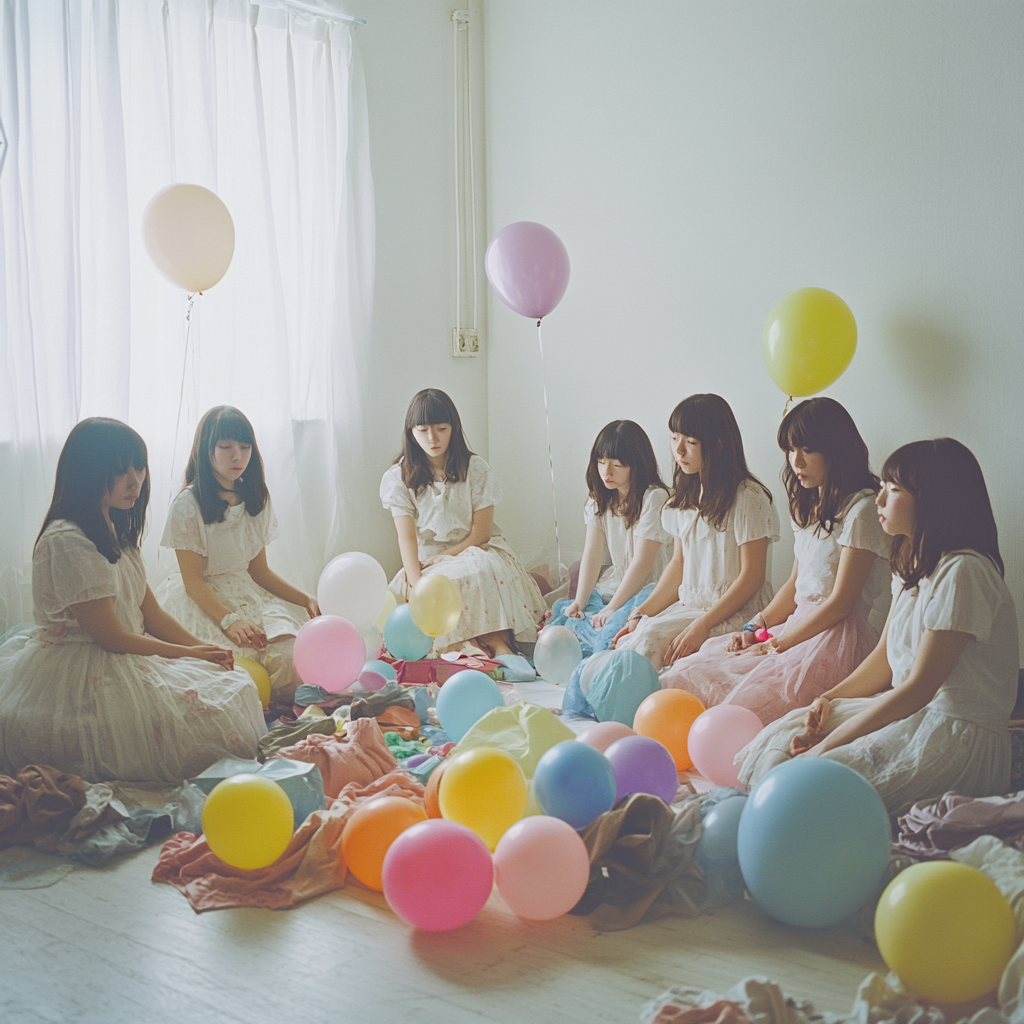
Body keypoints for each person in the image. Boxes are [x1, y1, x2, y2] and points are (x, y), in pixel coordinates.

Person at [738, 438, 1019, 817]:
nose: (879, 500)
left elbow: (919, 688)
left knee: (817, 783)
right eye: (882, 487)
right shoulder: (912, 565)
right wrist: (829, 700)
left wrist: (829, 745)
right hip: (915, 712)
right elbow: (885, 658)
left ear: (935, 500)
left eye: (893, 490)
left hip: (954, 734)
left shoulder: (963, 571)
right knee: (783, 733)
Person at [0, 418, 265, 783]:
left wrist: (201, 646)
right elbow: (112, 637)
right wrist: (188, 655)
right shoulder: (67, 540)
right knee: (211, 713)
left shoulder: (114, 528)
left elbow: (151, 612)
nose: (135, 481)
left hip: (124, 652)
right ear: (88, 472)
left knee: (235, 687)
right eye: (121, 472)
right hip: (85, 660)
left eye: (139, 469)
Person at [660, 398, 890, 723]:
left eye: (807, 449)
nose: (796, 461)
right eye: (790, 449)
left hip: (835, 639)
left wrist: (775, 645)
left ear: (836, 450)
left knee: (743, 706)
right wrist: (755, 629)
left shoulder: (862, 511)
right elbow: (795, 586)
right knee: (687, 671)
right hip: (795, 626)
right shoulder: (810, 505)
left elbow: (840, 604)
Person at [158, 406, 317, 700]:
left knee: (288, 658)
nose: (237, 456)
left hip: (245, 592)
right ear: (206, 450)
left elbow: (259, 572)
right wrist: (229, 621)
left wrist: (304, 598)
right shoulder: (187, 505)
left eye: (245, 447)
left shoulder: (255, 497)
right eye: (225, 446)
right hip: (204, 599)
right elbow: (193, 582)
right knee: (225, 669)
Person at [613, 394, 779, 671]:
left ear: (718, 445)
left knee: (650, 646)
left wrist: (701, 625)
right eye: (674, 438)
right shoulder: (683, 499)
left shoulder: (748, 497)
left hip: (734, 611)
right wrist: (640, 613)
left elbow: (752, 577)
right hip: (691, 607)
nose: (679, 451)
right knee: (630, 641)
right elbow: (678, 565)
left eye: (691, 442)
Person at [380, 389, 547, 657]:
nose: (432, 438)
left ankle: (494, 643)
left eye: (441, 429)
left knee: (479, 571)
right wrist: (415, 582)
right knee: (434, 587)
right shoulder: (398, 477)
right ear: (411, 432)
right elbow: (407, 538)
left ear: (453, 428)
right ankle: (472, 649)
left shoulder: (475, 468)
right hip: (426, 558)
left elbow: (480, 533)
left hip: (477, 549)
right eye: (422, 430)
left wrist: (442, 558)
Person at [550, 420, 671, 655]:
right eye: (601, 462)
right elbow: (592, 554)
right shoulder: (600, 499)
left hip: (651, 589)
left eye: (617, 465)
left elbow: (642, 564)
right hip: (617, 584)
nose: (607, 472)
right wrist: (579, 601)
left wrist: (612, 608)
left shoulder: (654, 498)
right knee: (570, 620)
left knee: (613, 632)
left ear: (637, 464)